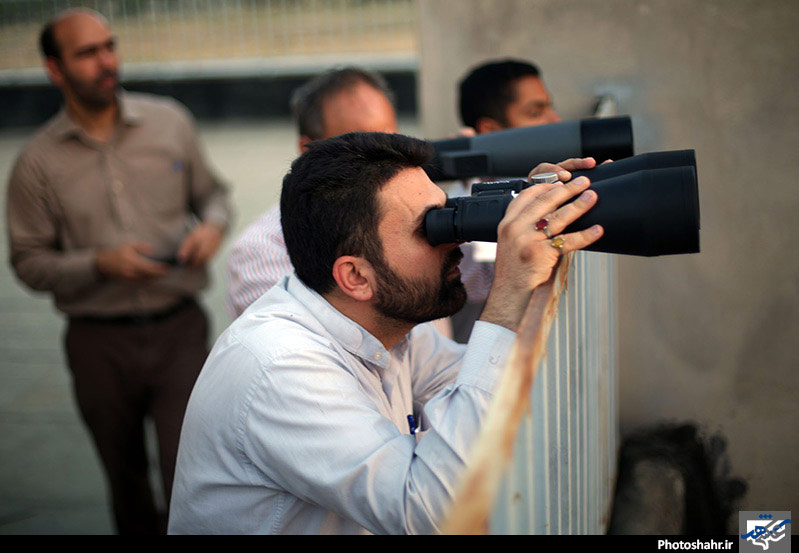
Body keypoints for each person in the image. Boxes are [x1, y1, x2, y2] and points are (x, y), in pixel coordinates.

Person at [168, 131, 603, 534]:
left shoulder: (377, 324)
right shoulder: (280, 366)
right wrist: (508, 293)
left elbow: (488, 385)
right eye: (428, 228)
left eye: (446, 214)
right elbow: (433, 508)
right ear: (355, 276)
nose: (456, 241)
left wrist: (531, 208)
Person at [5, 9, 232, 534]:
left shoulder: (169, 121)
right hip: (97, 343)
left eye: (108, 46)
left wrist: (213, 228)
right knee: (126, 483)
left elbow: (214, 195)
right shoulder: (36, 164)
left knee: (193, 473)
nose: (106, 61)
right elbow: (28, 262)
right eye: (86, 53)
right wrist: (98, 265)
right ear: (54, 70)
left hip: (180, 330)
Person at [225, 67, 398, 318]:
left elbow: (472, 285)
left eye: (393, 142)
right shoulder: (262, 251)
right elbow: (299, 343)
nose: (386, 160)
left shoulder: (416, 215)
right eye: (361, 147)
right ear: (309, 150)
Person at [451, 58, 569, 342]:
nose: (556, 121)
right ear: (491, 132)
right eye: (535, 112)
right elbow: (484, 280)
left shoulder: (535, 185)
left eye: (550, 107)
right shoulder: (458, 211)